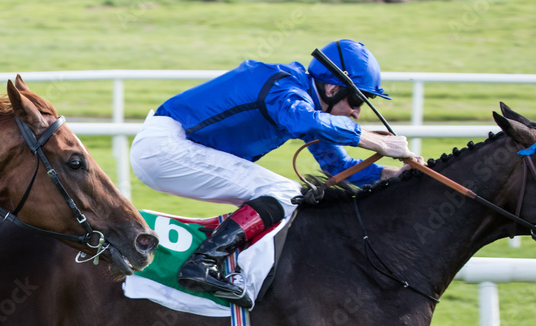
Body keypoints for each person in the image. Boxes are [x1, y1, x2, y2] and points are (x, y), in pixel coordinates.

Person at [130, 39, 419, 306]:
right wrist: (378, 141)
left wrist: (398, 175)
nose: (357, 113)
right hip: (166, 146)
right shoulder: (284, 85)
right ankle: (202, 264)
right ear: (333, 89)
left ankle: (233, 269)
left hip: (174, 151)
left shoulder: (307, 106)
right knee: (284, 193)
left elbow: (340, 168)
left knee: (276, 204)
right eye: (357, 101)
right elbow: (305, 121)